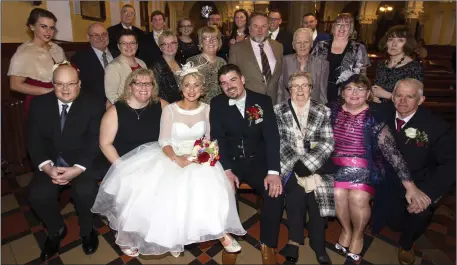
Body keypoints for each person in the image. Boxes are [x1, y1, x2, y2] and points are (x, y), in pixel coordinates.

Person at [92, 67, 246, 258]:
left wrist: (203, 154)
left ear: (202, 89)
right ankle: (173, 236)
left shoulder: (207, 110)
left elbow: (209, 139)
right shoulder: (170, 109)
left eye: (196, 85)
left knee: (209, 186)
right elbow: (163, 140)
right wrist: (177, 158)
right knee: (167, 191)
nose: (191, 90)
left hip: (198, 158)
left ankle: (222, 232)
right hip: (171, 155)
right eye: (187, 85)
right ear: (181, 87)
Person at [329, 74, 430, 262]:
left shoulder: (374, 116)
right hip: (336, 165)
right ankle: (345, 229)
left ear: (368, 93)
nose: (354, 93)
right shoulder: (332, 110)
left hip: (365, 166)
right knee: (337, 194)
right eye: (349, 88)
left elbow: (392, 152)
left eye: (360, 89)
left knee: (358, 197)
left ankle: (358, 235)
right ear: (342, 92)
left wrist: (410, 186)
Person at [372, 79, 456, 265]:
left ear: (421, 99)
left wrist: (427, 193)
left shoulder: (436, 126)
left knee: (421, 213)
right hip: (384, 180)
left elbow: (451, 164)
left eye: (410, 96)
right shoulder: (381, 112)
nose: (402, 101)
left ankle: (407, 244)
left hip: (418, 183)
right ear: (392, 97)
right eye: (398, 95)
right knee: (390, 221)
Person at [27, 64, 104, 261]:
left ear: (79, 84)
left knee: (86, 191)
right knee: (37, 195)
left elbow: (94, 140)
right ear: (52, 85)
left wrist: (77, 169)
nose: (65, 89)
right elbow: (34, 141)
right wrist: (47, 167)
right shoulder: (39, 105)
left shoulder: (94, 103)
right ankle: (56, 229)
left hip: (82, 162)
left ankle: (87, 230)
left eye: (71, 84)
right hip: (51, 162)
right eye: (59, 84)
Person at [211, 64, 283, 265]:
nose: (229, 86)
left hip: (258, 162)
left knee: (275, 193)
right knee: (224, 191)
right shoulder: (217, 104)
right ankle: (230, 241)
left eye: (232, 80)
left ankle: (268, 244)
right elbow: (218, 139)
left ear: (242, 79)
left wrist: (273, 171)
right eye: (223, 83)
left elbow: (271, 137)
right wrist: (226, 169)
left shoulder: (262, 101)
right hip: (231, 163)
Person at [274, 72, 335, 264]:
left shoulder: (323, 111)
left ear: (311, 88)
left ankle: (319, 244)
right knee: (295, 198)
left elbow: (328, 142)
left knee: (316, 200)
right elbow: (279, 142)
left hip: (316, 165)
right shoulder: (277, 110)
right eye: (295, 86)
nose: (300, 90)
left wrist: (308, 165)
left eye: (304, 85)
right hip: (290, 165)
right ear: (288, 90)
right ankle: (294, 241)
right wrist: (297, 165)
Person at [8, 8, 66, 116]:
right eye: (43, 26)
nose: (48, 32)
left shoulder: (57, 49)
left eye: (52, 27)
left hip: (62, 100)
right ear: (32, 26)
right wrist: (48, 91)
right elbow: (15, 85)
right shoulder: (24, 52)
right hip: (39, 104)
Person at [312, 13, 370, 103]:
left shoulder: (358, 48)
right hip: (320, 91)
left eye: (346, 25)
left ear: (351, 29)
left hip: (346, 94)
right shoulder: (321, 45)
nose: (342, 28)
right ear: (333, 27)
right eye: (338, 24)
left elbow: (362, 76)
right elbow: (311, 68)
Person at [229, 12, 283, 104]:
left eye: (264, 26)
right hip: (248, 103)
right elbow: (232, 79)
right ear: (249, 28)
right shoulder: (236, 49)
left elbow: (280, 77)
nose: (260, 30)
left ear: (268, 28)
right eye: (255, 26)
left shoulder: (278, 47)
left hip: (273, 103)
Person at [277, 28, 329, 104]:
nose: (302, 46)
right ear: (293, 45)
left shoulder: (322, 64)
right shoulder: (284, 61)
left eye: (306, 42)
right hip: (288, 109)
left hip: (312, 110)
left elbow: (322, 95)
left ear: (311, 44)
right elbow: (280, 90)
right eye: (298, 42)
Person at [373, 25, 424, 102]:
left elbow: (413, 99)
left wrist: (388, 95)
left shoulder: (414, 67)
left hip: (400, 112)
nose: (394, 44)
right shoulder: (381, 64)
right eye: (390, 39)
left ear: (407, 43)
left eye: (400, 40)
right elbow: (377, 90)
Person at [72, 23, 113, 106]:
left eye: (104, 34)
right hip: (94, 107)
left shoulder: (119, 55)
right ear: (88, 37)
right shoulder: (79, 59)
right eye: (95, 35)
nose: (101, 38)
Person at [105, 30, 147, 105]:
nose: (128, 46)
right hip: (126, 109)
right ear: (118, 46)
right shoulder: (113, 67)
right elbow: (111, 95)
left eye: (132, 43)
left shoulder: (142, 63)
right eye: (124, 43)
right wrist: (130, 107)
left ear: (137, 45)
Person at [187, 26, 227, 104]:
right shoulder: (192, 62)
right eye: (206, 39)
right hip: (200, 107)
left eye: (214, 38)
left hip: (220, 106)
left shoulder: (222, 62)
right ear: (201, 43)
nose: (211, 42)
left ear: (219, 42)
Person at [150, 30, 182, 104]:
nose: (169, 46)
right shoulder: (156, 67)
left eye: (172, 43)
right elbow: (154, 94)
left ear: (177, 45)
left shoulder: (180, 63)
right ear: (160, 47)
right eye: (165, 44)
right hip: (166, 109)